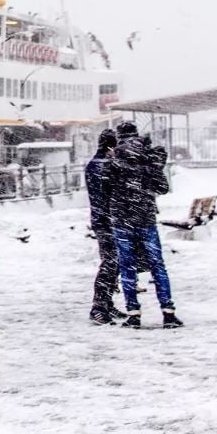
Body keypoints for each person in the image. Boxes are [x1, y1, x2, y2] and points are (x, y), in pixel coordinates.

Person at [109, 121, 183, 329]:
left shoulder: (113, 157)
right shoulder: (148, 157)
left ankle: (133, 314)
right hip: (145, 218)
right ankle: (168, 313)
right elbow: (162, 187)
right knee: (157, 265)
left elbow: (106, 189)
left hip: (122, 220)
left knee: (127, 267)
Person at [86, 129, 125, 325]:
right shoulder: (101, 166)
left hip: (105, 220)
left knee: (113, 263)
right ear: (111, 146)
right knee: (110, 263)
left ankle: (106, 303)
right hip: (106, 221)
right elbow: (105, 195)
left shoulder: (98, 164)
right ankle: (99, 307)